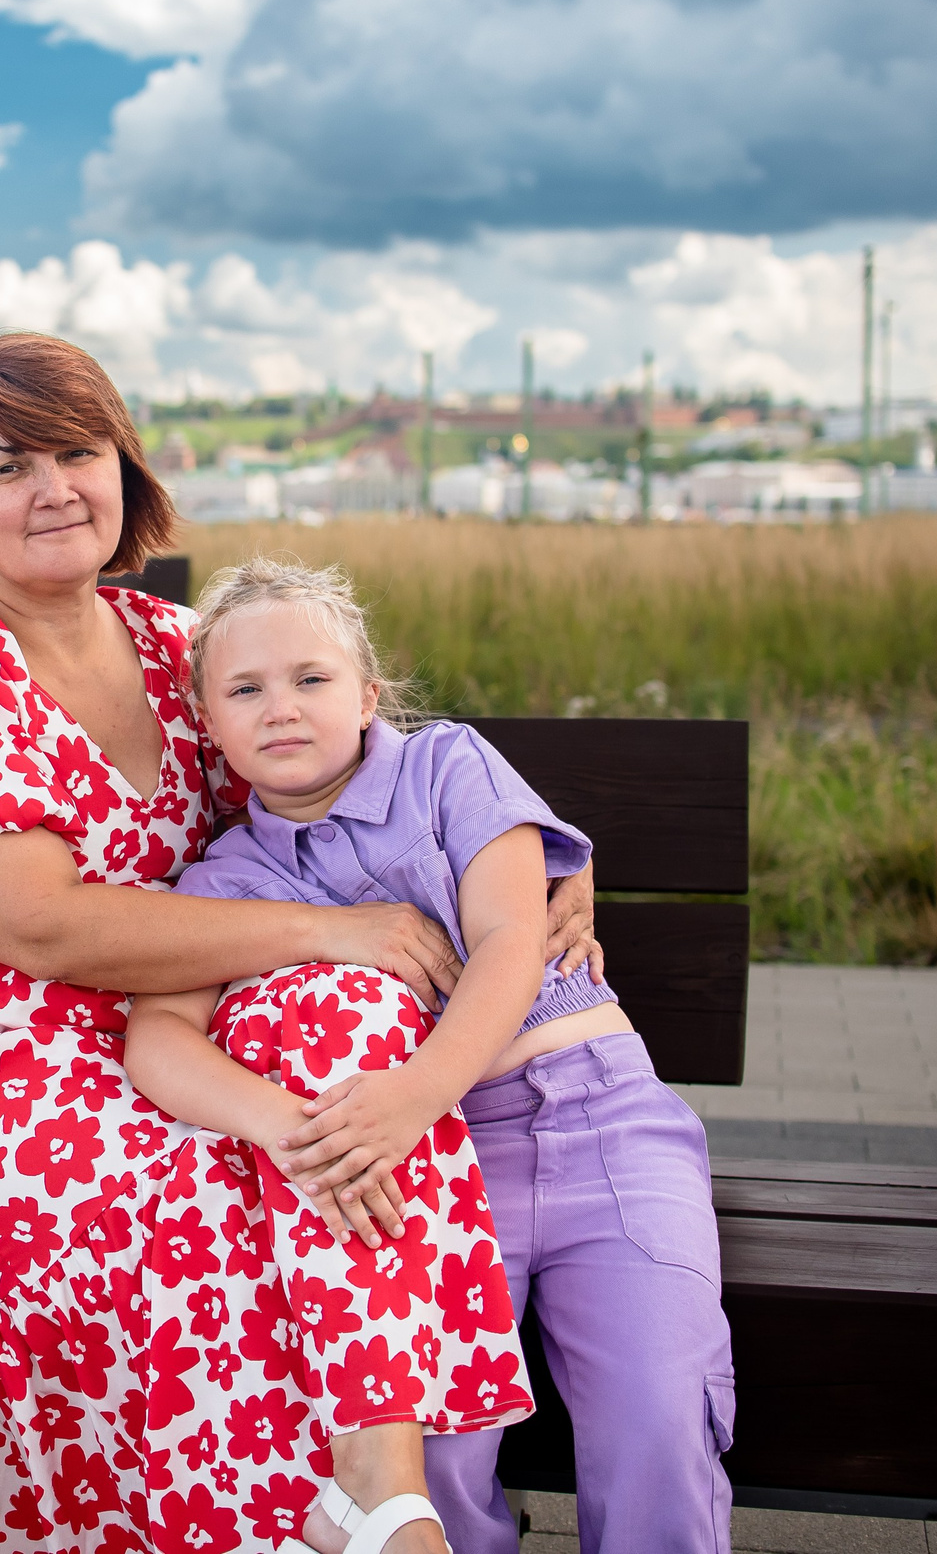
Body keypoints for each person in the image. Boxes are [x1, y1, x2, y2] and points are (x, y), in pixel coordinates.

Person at [0, 332, 601, 1554]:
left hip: (153, 1022)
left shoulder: (176, 646)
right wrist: (331, 930)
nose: (54, 485)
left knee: (343, 1056)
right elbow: (43, 924)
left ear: (123, 467)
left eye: (78, 450)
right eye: (7, 465)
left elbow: (360, 768)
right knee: (207, 1210)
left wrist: (546, 872)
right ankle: (271, 1522)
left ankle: (380, 1493)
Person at [138, 556, 735, 1554]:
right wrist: (283, 1126)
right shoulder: (225, 875)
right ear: (206, 720)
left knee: (655, 1414)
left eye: (311, 678)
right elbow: (157, 1036)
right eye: (244, 688)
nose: (280, 707)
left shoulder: (445, 766)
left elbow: (508, 939)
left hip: (601, 1122)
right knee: (432, 1449)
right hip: (432, 1173)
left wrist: (414, 1088)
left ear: (370, 694)